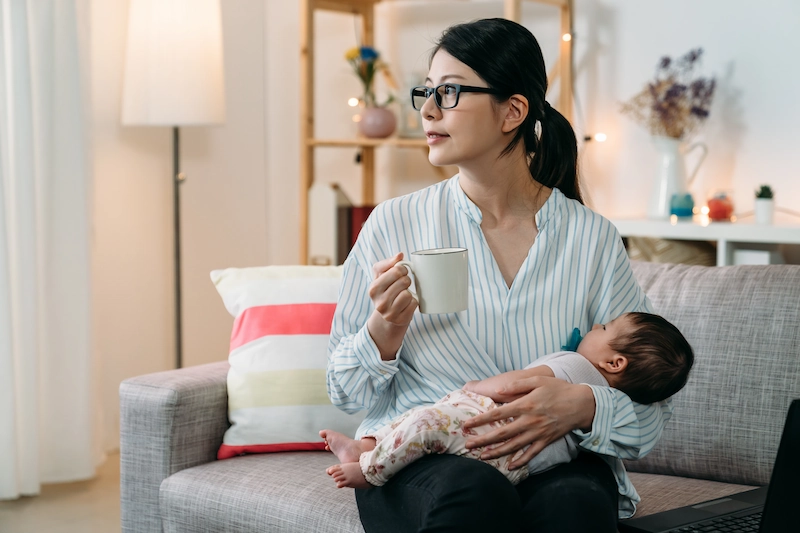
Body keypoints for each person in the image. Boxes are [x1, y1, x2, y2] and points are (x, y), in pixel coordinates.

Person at [327, 18, 673, 532]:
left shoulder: (590, 238)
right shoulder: (395, 222)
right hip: (423, 456)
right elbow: (344, 391)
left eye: (449, 92)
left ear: (513, 111)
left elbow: (652, 408)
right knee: (474, 490)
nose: (426, 109)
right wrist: (384, 332)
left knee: (577, 501)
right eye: (427, 92)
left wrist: (581, 405)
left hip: (551, 458)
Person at [322, 312, 693, 490]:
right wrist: (384, 325)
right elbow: (343, 390)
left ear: (615, 362)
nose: (597, 326)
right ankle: (366, 446)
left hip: (484, 431)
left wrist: (477, 386)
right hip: (521, 468)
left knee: (423, 423)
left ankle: (370, 469)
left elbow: (513, 385)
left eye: (606, 328)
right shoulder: (609, 382)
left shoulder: (576, 364)